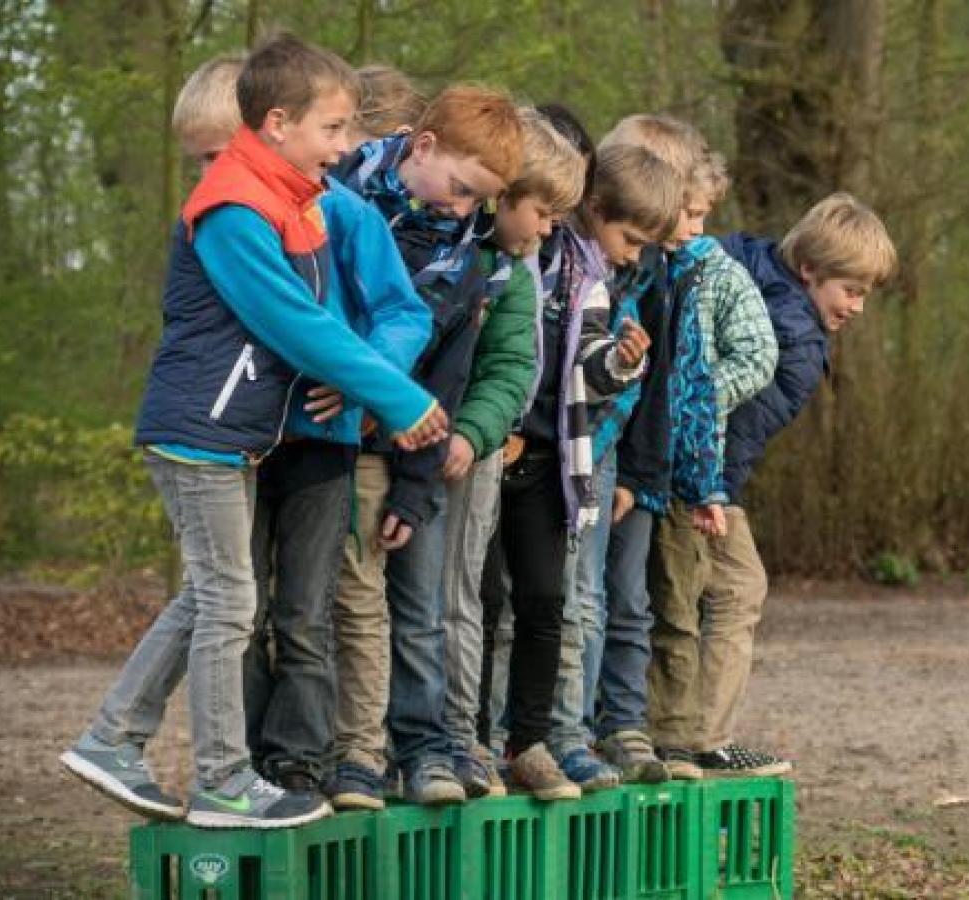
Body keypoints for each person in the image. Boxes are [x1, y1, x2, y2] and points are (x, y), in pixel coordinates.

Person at [60, 33, 447, 829]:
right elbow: (297, 323)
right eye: (332, 129)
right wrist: (400, 400)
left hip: (235, 434)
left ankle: (114, 737)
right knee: (231, 601)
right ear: (277, 123)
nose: (344, 147)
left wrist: (373, 385)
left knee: (212, 596)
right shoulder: (233, 209)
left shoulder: (290, 199)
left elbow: (349, 311)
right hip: (200, 432)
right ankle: (222, 780)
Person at [648, 192, 896, 778]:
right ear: (809, 269)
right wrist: (714, 493)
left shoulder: (737, 256)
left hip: (671, 460)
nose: (857, 307)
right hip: (697, 475)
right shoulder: (796, 341)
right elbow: (738, 429)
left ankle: (676, 731)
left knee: (684, 594)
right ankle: (699, 738)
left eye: (865, 293)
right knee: (737, 587)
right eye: (850, 290)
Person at [326, 84, 525, 808]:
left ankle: (424, 749)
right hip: (324, 445)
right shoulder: (335, 200)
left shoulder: (466, 262)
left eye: (482, 201)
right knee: (337, 608)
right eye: (463, 189)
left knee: (419, 610)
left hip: (404, 458)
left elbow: (446, 381)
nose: (466, 210)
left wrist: (415, 487)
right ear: (425, 146)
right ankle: (341, 753)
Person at [494, 141, 675, 799]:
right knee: (489, 603)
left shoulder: (593, 276)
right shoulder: (519, 259)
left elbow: (588, 366)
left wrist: (622, 363)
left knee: (552, 601)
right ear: (594, 209)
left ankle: (538, 739)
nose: (634, 255)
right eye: (630, 239)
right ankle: (484, 735)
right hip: (494, 449)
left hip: (556, 458)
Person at [596, 144, 777, 784]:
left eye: (702, 215)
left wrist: (696, 396)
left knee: (673, 604)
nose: (696, 228)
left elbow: (759, 356)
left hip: (682, 468)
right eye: (689, 213)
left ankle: (674, 735)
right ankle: (619, 725)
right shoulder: (641, 268)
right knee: (620, 597)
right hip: (628, 454)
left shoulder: (714, 272)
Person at [439, 107, 587, 798]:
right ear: (502, 195)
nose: (550, 228)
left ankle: (512, 741)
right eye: (544, 212)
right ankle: (449, 737)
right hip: (438, 446)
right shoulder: (454, 254)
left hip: (516, 453)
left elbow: (522, 368)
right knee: (466, 598)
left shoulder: (527, 274)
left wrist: (478, 431)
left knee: (530, 600)